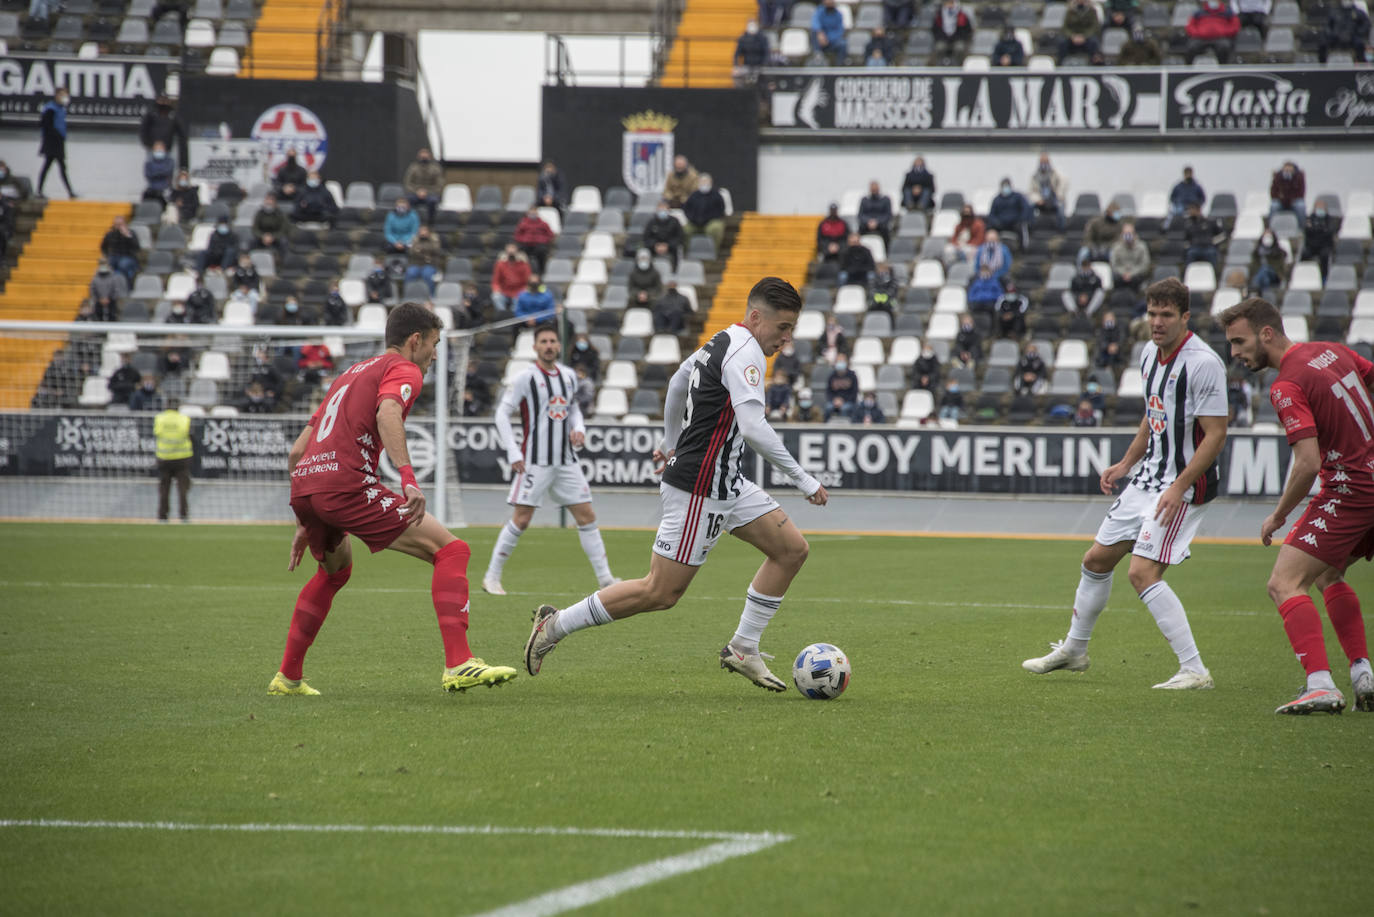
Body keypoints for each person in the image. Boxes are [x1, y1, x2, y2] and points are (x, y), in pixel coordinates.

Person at [522, 277, 829, 692]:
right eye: (783, 328)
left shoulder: (723, 340)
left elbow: (678, 382)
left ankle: (743, 647)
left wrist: (669, 441)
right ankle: (554, 625)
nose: (787, 339)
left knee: (791, 550)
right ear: (756, 317)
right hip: (700, 486)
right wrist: (804, 480)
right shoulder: (747, 355)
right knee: (660, 592)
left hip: (725, 481)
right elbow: (754, 428)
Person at [270, 303, 518, 696]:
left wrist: (306, 515)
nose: (436, 354)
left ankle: (287, 677)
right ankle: (459, 662)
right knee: (452, 551)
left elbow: (297, 453)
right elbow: (389, 413)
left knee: (335, 572)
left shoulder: (348, 374)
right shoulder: (404, 369)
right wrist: (408, 479)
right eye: (434, 344)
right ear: (415, 340)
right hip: (346, 485)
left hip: (308, 484)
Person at [1022, 278, 1228, 691]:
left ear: (1184, 317)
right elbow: (1154, 417)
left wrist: (1178, 486)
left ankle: (1195, 670)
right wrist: (1124, 464)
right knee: (1095, 561)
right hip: (1149, 476)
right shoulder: (1150, 355)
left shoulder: (1203, 364)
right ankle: (1075, 651)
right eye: (1152, 313)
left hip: (1185, 485)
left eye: (1166, 315)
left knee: (1142, 573)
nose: (1157, 322)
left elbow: (1216, 434)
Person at [1219, 296, 1374, 714]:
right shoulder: (1332, 350)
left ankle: (1320, 684)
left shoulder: (1286, 385)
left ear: (1266, 333)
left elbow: (1306, 464)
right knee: (1328, 574)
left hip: (1350, 490)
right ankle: (1362, 673)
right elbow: (1370, 379)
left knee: (1283, 583)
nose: (1234, 352)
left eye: (1238, 341)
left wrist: (1278, 515)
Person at [482, 322, 620, 596]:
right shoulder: (525, 378)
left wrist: (579, 429)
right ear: (535, 347)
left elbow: (574, 410)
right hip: (535, 461)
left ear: (559, 345)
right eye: (543, 342)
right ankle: (491, 577)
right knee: (521, 519)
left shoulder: (569, 376)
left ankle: (605, 579)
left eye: (552, 341)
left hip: (566, 461)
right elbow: (502, 414)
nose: (548, 346)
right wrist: (513, 450)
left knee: (587, 516)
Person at [154, 397, 192, 522]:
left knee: (164, 489)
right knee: (183, 489)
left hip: (164, 458)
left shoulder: (159, 418)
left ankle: (162, 515)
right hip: (182, 458)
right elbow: (188, 434)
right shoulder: (184, 419)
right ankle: (183, 515)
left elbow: (157, 433)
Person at [38, 88, 76, 199]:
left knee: (56, 166)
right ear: (56, 95)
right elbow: (45, 124)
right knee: (53, 166)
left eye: (66, 95)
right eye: (62, 95)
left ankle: (69, 191)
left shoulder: (61, 109)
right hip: (52, 142)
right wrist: (56, 135)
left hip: (59, 141)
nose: (65, 97)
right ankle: (69, 192)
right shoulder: (51, 108)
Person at [138, 94, 187, 166]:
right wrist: (151, 145)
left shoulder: (173, 116)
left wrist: (183, 166)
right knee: (152, 171)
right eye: (161, 100)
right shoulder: (151, 115)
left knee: (166, 171)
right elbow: (143, 131)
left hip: (167, 151)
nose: (163, 103)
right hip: (152, 150)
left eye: (165, 100)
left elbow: (182, 135)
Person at [682, 173, 727, 251]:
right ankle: (689, 253)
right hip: (694, 222)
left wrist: (707, 219)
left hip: (711, 221)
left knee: (715, 229)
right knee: (685, 230)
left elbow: (720, 211)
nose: (704, 184)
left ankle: (712, 252)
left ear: (711, 183)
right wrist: (693, 219)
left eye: (706, 182)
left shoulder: (717, 195)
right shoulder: (693, 196)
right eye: (702, 182)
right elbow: (687, 209)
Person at [987, 178, 1032, 250]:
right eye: (1004, 186)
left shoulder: (1018, 197)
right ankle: (992, 249)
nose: (1005, 188)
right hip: (1001, 224)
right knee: (991, 230)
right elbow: (991, 215)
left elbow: (1026, 209)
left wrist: (1020, 220)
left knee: (1021, 228)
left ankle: (1023, 249)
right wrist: (996, 222)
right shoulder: (997, 199)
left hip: (1015, 223)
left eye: (1007, 186)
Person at [1028, 153, 1068, 231]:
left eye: (1045, 162)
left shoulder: (1055, 173)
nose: (1044, 164)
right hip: (1041, 201)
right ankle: (1031, 230)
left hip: (1053, 200)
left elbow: (1064, 183)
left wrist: (1058, 195)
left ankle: (1061, 231)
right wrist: (1038, 199)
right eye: (1042, 162)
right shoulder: (1035, 176)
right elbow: (1031, 191)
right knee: (1030, 208)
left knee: (1061, 208)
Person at [1299, 202, 1338, 281]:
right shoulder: (1310, 219)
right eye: (1318, 208)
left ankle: (1324, 277)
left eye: (1322, 208)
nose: (1320, 210)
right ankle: (1303, 275)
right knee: (1305, 254)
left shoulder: (1329, 219)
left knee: (1325, 255)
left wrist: (1316, 230)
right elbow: (1307, 231)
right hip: (1312, 245)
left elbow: (1329, 232)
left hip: (1325, 245)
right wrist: (1321, 230)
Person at [403, 147, 443, 222]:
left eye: (425, 156)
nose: (424, 158)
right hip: (415, 193)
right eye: (422, 156)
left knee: (433, 201)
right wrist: (417, 192)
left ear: (429, 157)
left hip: (430, 193)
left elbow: (439, 185)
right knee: (408, 200)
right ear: (418, 157)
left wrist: (426, 192)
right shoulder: (413, 167)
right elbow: (407, 183)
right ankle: (410, 221)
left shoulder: (436, 168)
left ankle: (431, 223)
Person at [1109, 221, 1150, 294]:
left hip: (1136, 275)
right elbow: (1114, 264)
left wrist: (1131, 274)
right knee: (1115, 279)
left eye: (1130, 233)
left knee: (1138, 280)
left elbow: (1144, 264)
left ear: (1134, 234)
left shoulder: (1142, 246)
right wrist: (1123, 273)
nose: (1128, 235)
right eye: (1126, 233)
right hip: (1121, 275)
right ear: (1122, 234)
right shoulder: (1116, 247)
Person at [643, 199, 685, 268]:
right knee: (645, 251)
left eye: (664, 209)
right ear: (657, 210)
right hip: (654, 248)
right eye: (660, 209)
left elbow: (680, 237)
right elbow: (646, 237)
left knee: (676, 251)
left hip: (671, 247)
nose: (662, 211)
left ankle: (674, 271)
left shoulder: (674, 221)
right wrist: (655, 245)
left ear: (668, 210)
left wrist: (668, 245)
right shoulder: (651, 222)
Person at [101, 215, 141, 285]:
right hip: (114, 256)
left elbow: (137, 248)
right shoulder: (110, 234)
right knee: (105, 267)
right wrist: (106, 256)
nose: (118, 227)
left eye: (120, 225)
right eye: (116, 225)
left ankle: (127, 284)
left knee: (123, 264)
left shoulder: (131, 233)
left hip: (128, 256)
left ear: (125, 224)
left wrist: (128, 236)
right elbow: (103, 247)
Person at [490, 243, 532, 312]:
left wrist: (523, 290)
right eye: (509, 249)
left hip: (519, 290)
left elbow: (528, 281)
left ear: (517, 251)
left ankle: (514, 317)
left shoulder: (524, 264)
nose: (511, 251)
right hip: (504, 290)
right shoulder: (500, 264)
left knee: (521, 298)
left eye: (513, 248)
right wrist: (496, 289)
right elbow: (495, 281)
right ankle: (502, 315)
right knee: (495, 297)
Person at [1182, 202, 1223, 271]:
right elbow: (1186, 238)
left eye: (1191, 209)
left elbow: (1221, 235)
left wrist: (1213, 243)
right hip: (1195, 248)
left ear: (1198, 210)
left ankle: (1214, 275)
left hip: (1208, 247)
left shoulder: (1209, 221)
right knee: (1190, 254)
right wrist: (1188, 245)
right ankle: (1188, 275)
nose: (1189, 212)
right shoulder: (1188, 224)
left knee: (1211, 253)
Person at [513, 206, 555, 274]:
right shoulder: (523, 223)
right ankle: (524, 272)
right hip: (526, 244)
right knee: (521, 253)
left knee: (542, 251)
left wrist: (544, 240)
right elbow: (517, 235)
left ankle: (541, 271)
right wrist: (523, 239)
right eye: (531, 213)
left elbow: (550, 234)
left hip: (539, 244)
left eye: (534, 212)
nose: (533, 214)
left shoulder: (543, 223)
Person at [405, 225, 443, 295]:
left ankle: (431, 296)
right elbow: (412, 252)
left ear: (428, 232)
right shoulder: (415, 239)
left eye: (424, 231)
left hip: (430, 264)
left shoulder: (434, 239)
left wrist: (419, 250)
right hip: (415, 264)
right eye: (421, 231)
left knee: (427, 274)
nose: (423, 233)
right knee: (410, 273)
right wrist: (426, 255)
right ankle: (408, 295)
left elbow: (435, 250)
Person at [1166, 166, 1206, 231]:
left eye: (1189, 174)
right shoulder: (1178, 186)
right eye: (1187, 174)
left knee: (1197, 215)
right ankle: (1167, 230)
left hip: (1193, 207)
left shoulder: (1197, 186)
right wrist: (1176, 203)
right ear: (1184, 174)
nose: (1188, 176)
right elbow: (1172, 198)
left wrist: (1198, 205)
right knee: (1171, 214)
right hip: (1180, 207)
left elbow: (1203, 198)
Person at [1269, 160, 1307, 225]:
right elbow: (1273, 192)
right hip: (1281, 201)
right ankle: (1271, 228)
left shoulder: (1299, 177)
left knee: (1301, 206)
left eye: (1289, 168)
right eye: (1286, 168)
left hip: (1294, 200)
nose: (1287, 170)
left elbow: (1301, 193)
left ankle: (1301, 228)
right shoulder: (1277, 176)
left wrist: (1289, 199)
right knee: (1274, 206)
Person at [1250, 229, 1288, 293]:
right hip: (1263, 276)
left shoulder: (1278, 252)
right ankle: (1266, 293)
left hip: (1275, 276)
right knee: (1265, 277)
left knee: (1265, 268)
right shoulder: (1257, 253)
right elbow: (1253, 268)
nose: (1267, 239)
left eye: (1269, 237)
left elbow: (1281, 268)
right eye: (1266, 237)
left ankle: (1255, 287)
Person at [857, 180, 894, 245]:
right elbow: (860, 215)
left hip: (881, 226)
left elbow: (888, 215)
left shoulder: (885, 200)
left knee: (887, 233)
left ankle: (886, 251)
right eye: (872, 188)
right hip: (866, 225)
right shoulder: (864, 200)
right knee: (858, 233)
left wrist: (877, 222)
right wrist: (868, 221)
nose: (874, 190)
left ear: (879, 188)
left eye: (875, 188)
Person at [734, 19, 771, 84]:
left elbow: (766, 53)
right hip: (746, 65)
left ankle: (762, 91)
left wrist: (764, 65)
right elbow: (737, 54)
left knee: (765, 76)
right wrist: (736, 66)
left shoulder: (762, 38)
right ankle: (741, 91)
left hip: (759, 66)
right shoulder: (743, 38)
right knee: (736, 75)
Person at [142, 141, 175, 211]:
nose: (159, 151)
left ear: (164, 150)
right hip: (152, 189)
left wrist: (155, 173)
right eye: (157, 149)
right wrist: (160, 173)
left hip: (165, 189)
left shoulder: (169, 161)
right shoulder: (149, 161)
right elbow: (148, 175)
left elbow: (168, 172)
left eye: (160, 149)